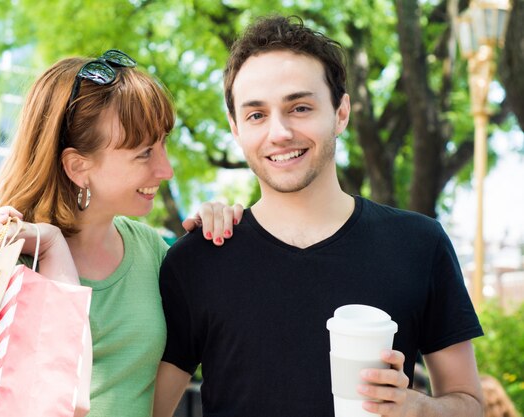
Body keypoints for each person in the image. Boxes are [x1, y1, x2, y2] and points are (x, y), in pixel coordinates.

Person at [154, 15, 484, 417]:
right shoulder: (198, 260)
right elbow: (146, 409)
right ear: (236, 128)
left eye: (300, 107)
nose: (279, 132)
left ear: (341, 112)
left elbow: (469, 404)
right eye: (256, 114)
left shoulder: (419, 243)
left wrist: (416, 407)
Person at [0, 49, 242, 417]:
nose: (166, 169)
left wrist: (220, 232)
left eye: (163, 144)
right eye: (144, 153)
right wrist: (51, 250)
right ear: (78, 166)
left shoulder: (152, 251)